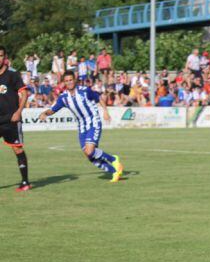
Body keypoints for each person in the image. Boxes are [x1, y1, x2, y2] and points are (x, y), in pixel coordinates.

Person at [38, 71, 124, 183]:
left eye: (71, 80)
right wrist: (44, 113)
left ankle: (113, 159)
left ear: (75, 80)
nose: (69, 82)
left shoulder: (84, 91)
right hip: (82, 127)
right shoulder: (63, 98)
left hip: (93, 122)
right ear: (64, 82)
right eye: (67, 81)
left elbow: (99, 98)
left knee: (89, 151)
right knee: (90, 156)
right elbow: (53, 110)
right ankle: (114, 171)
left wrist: (105, 111)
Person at [0, 46, 31, 192]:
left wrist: (19, 111)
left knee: (17, 149)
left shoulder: (12, 74)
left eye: (0, 55)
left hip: (11, 119)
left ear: (5, 57)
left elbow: (24, 93)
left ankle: (25, 182)